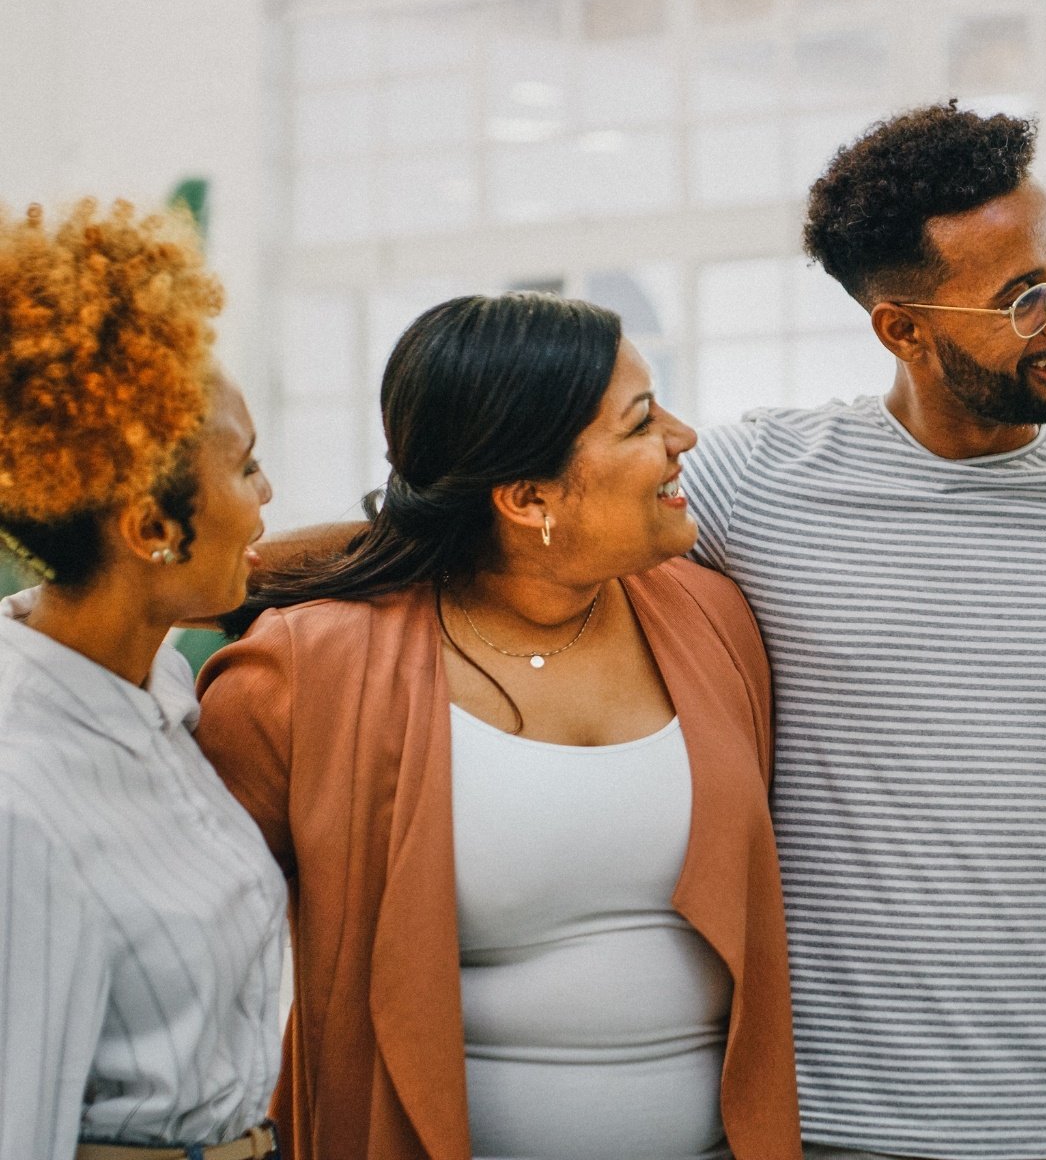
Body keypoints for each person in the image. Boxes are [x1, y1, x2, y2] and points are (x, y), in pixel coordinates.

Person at [684, 103, 1046, 1159]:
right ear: (903, 331)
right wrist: (281, 566)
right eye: (1021, 298)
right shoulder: (753, 487)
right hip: (818, 1124)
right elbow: (504, 533)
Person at [193, 293, 800, 1160]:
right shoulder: (305, 674)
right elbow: (179, 950)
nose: (684, 437)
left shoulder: (716, 621)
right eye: (639, 425)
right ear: (527, 497)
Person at [0, 200, 284, 1159]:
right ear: (152, 530)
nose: (268, 498)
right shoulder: (21, 796)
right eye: (247, 470)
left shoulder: (154, 688)